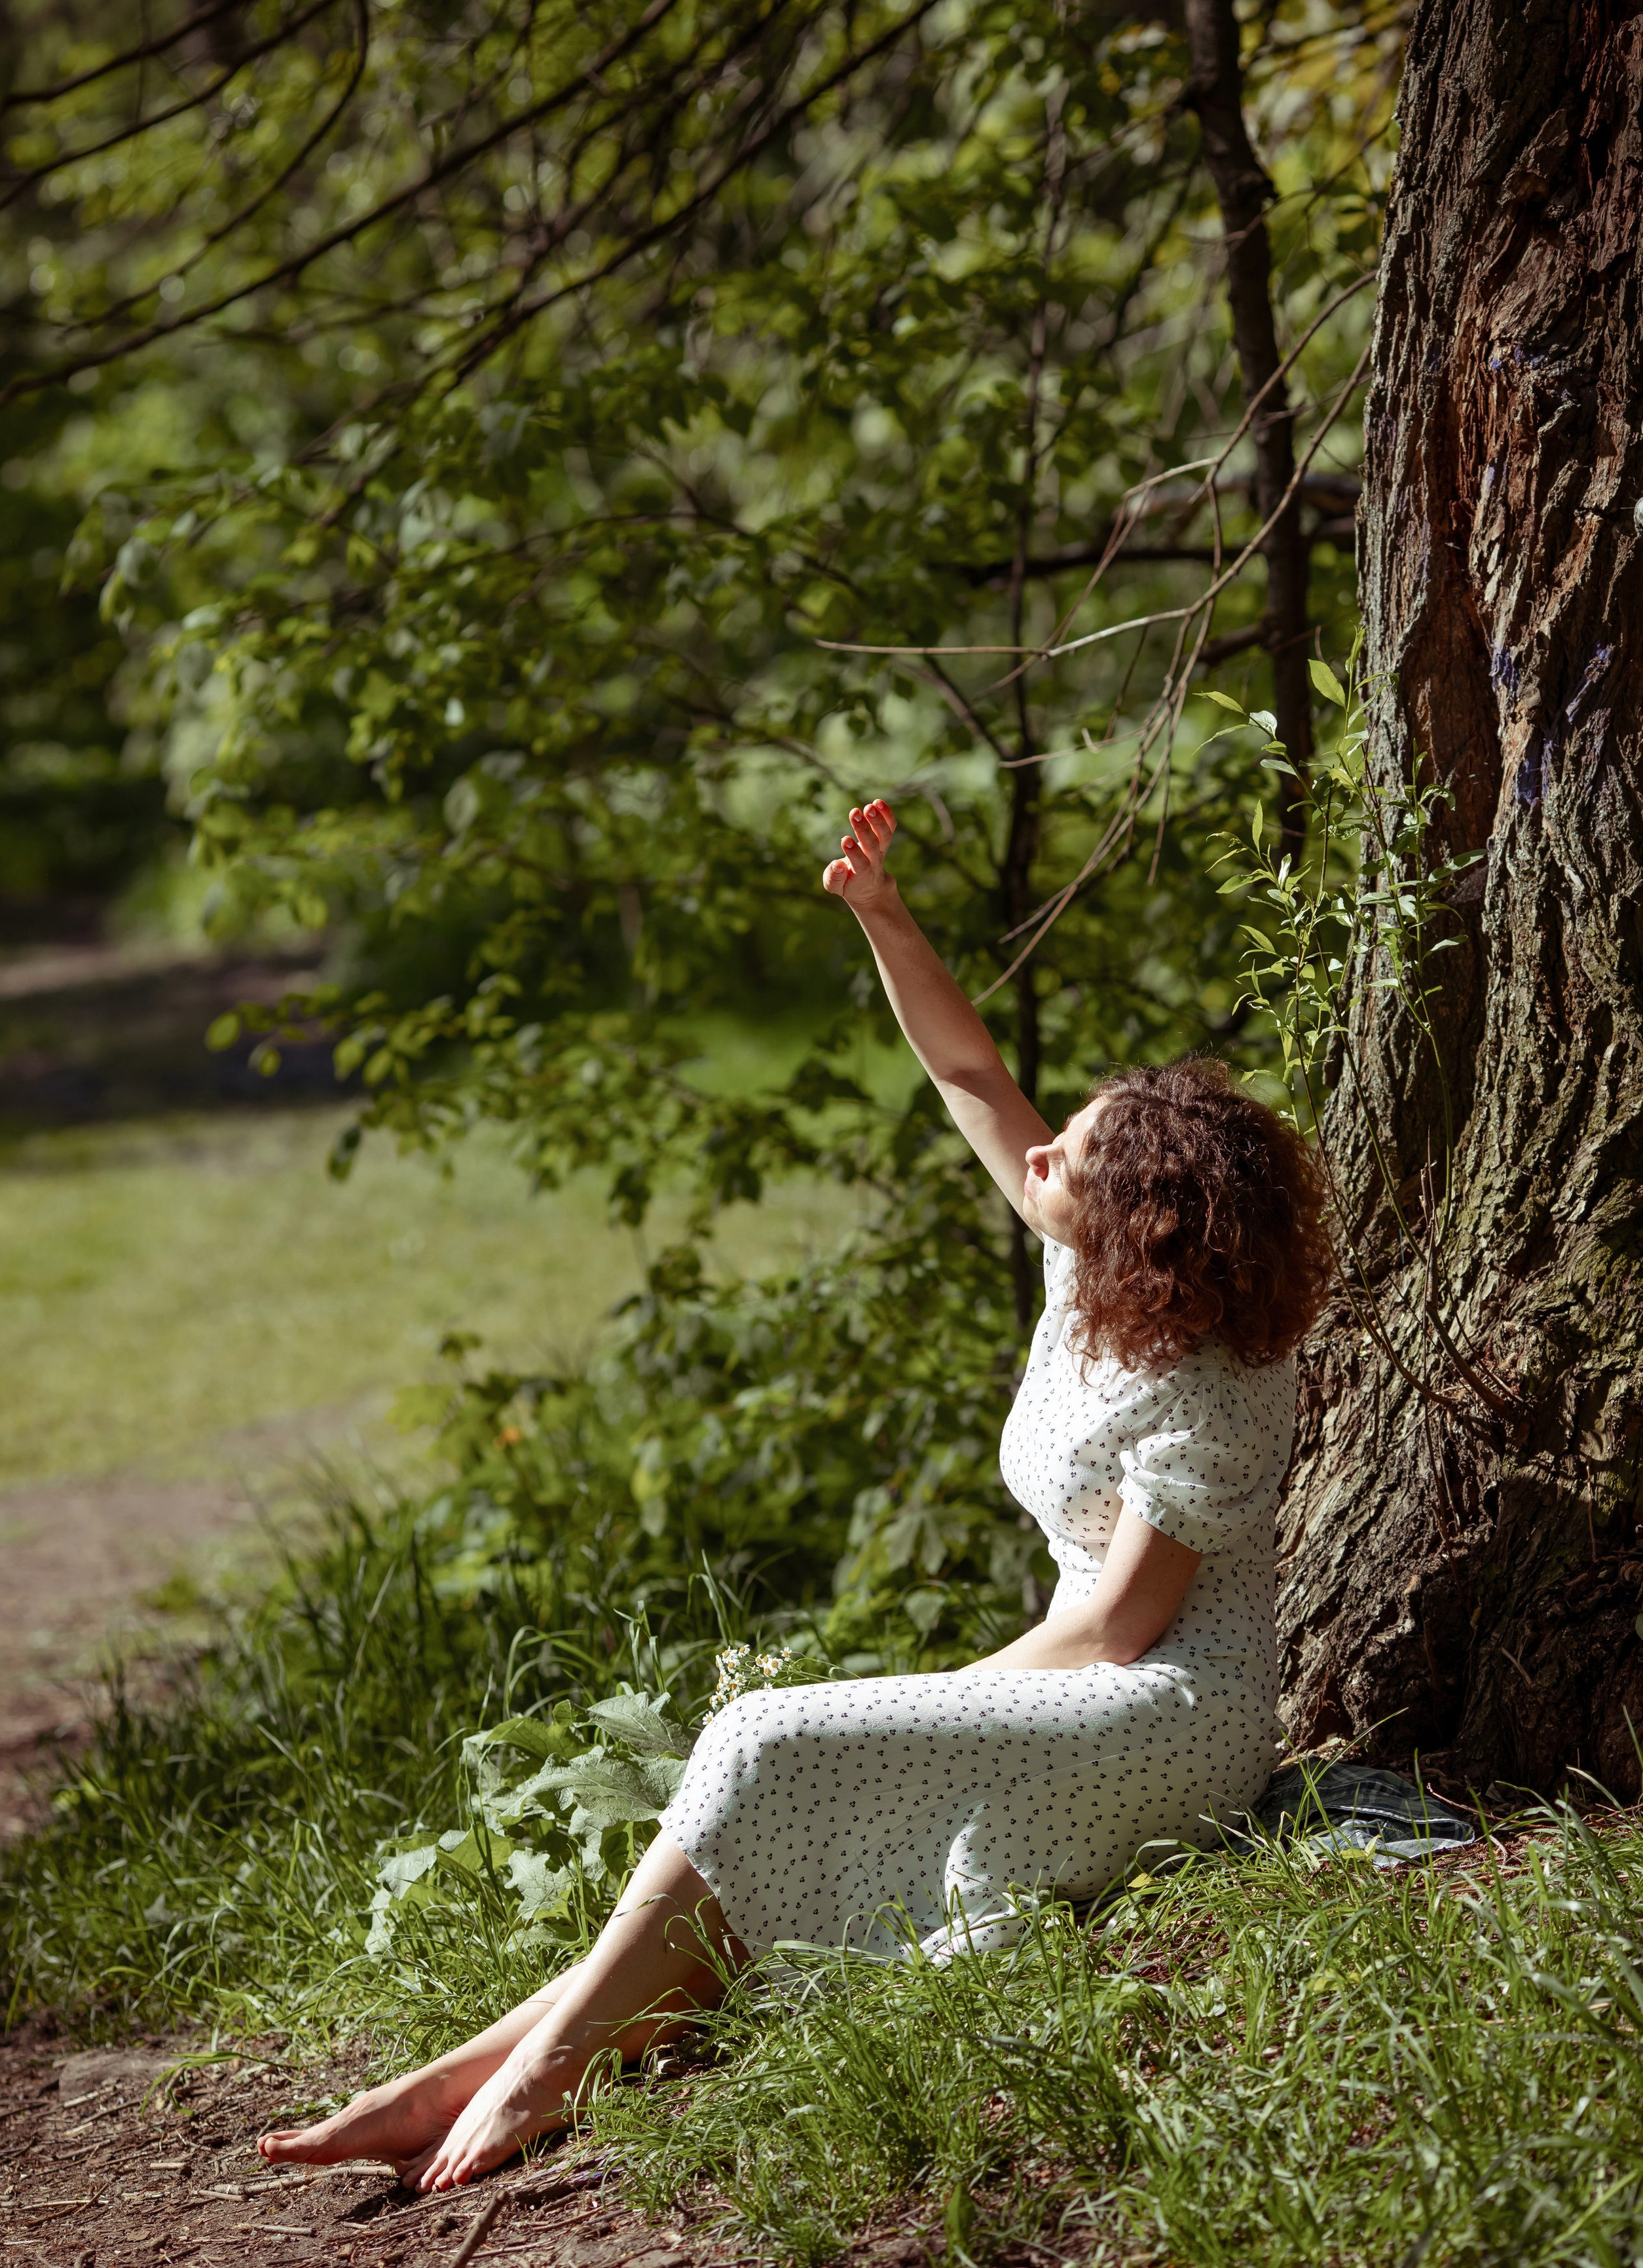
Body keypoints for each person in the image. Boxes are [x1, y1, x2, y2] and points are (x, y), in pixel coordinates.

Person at [260, 796, 1331, 2193]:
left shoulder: (1214, 1387)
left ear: (1148, 1225)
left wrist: (946, 1696)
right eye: (1061, 1137)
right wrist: (879, 912)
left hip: (1164, 1716)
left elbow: (1121, 1634)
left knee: (772, 1740)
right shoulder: (1099, 1272)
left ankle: (529, 2068)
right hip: (1080, 1677)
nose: (1041, 1155)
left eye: (1072, 1153)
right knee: (777, 1762)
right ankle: (478, 2069)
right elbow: (965, 1069)